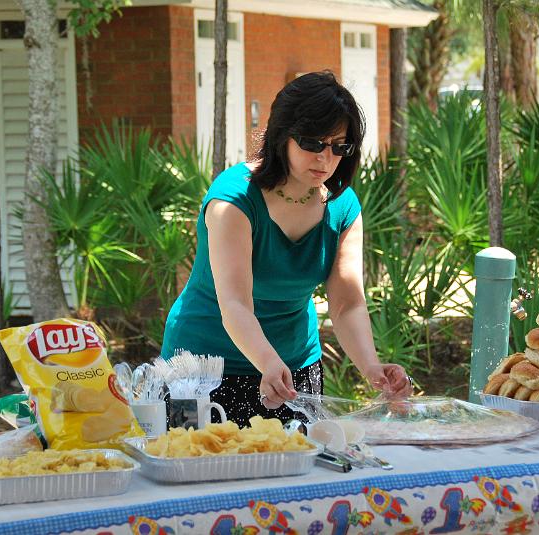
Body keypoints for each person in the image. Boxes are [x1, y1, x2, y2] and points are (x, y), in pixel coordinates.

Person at [161, 71, 413, 427]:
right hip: (200, 371)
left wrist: (372, 367)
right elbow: (234, 304)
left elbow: (347, 302)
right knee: (195, 473)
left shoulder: (343, 206)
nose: (325, 159)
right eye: (313, 143)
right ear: (282, 136)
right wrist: (267, 360)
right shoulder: (233, 201)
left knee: (301, 474)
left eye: (338, 146)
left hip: (293, 370)